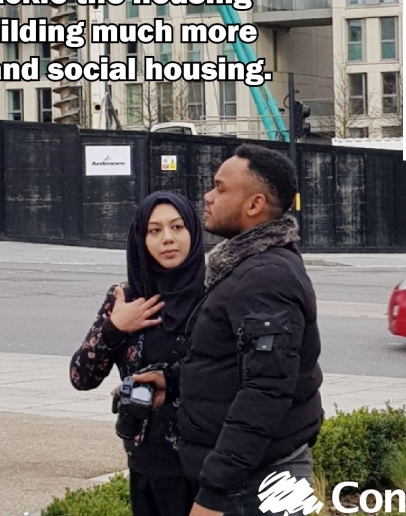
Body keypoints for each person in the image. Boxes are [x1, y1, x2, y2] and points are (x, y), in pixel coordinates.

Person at [135, 144, 324, 516]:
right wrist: (171, 380)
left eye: (220, 188)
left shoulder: (265, 276)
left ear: (254, 205)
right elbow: (234, 363)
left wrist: (214, 494)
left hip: (256, 486)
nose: (207, 196)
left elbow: (266, 391)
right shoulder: (246, 267)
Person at [70, 191, 205, 516]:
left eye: (177, 227)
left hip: (208, 463)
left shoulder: (214, 294)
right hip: (150, 464)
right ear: (141, 239)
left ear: (193, 232)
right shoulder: (126, 298)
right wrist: (115, 326)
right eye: (154, 231)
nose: (168, 239)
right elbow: (81, 377)